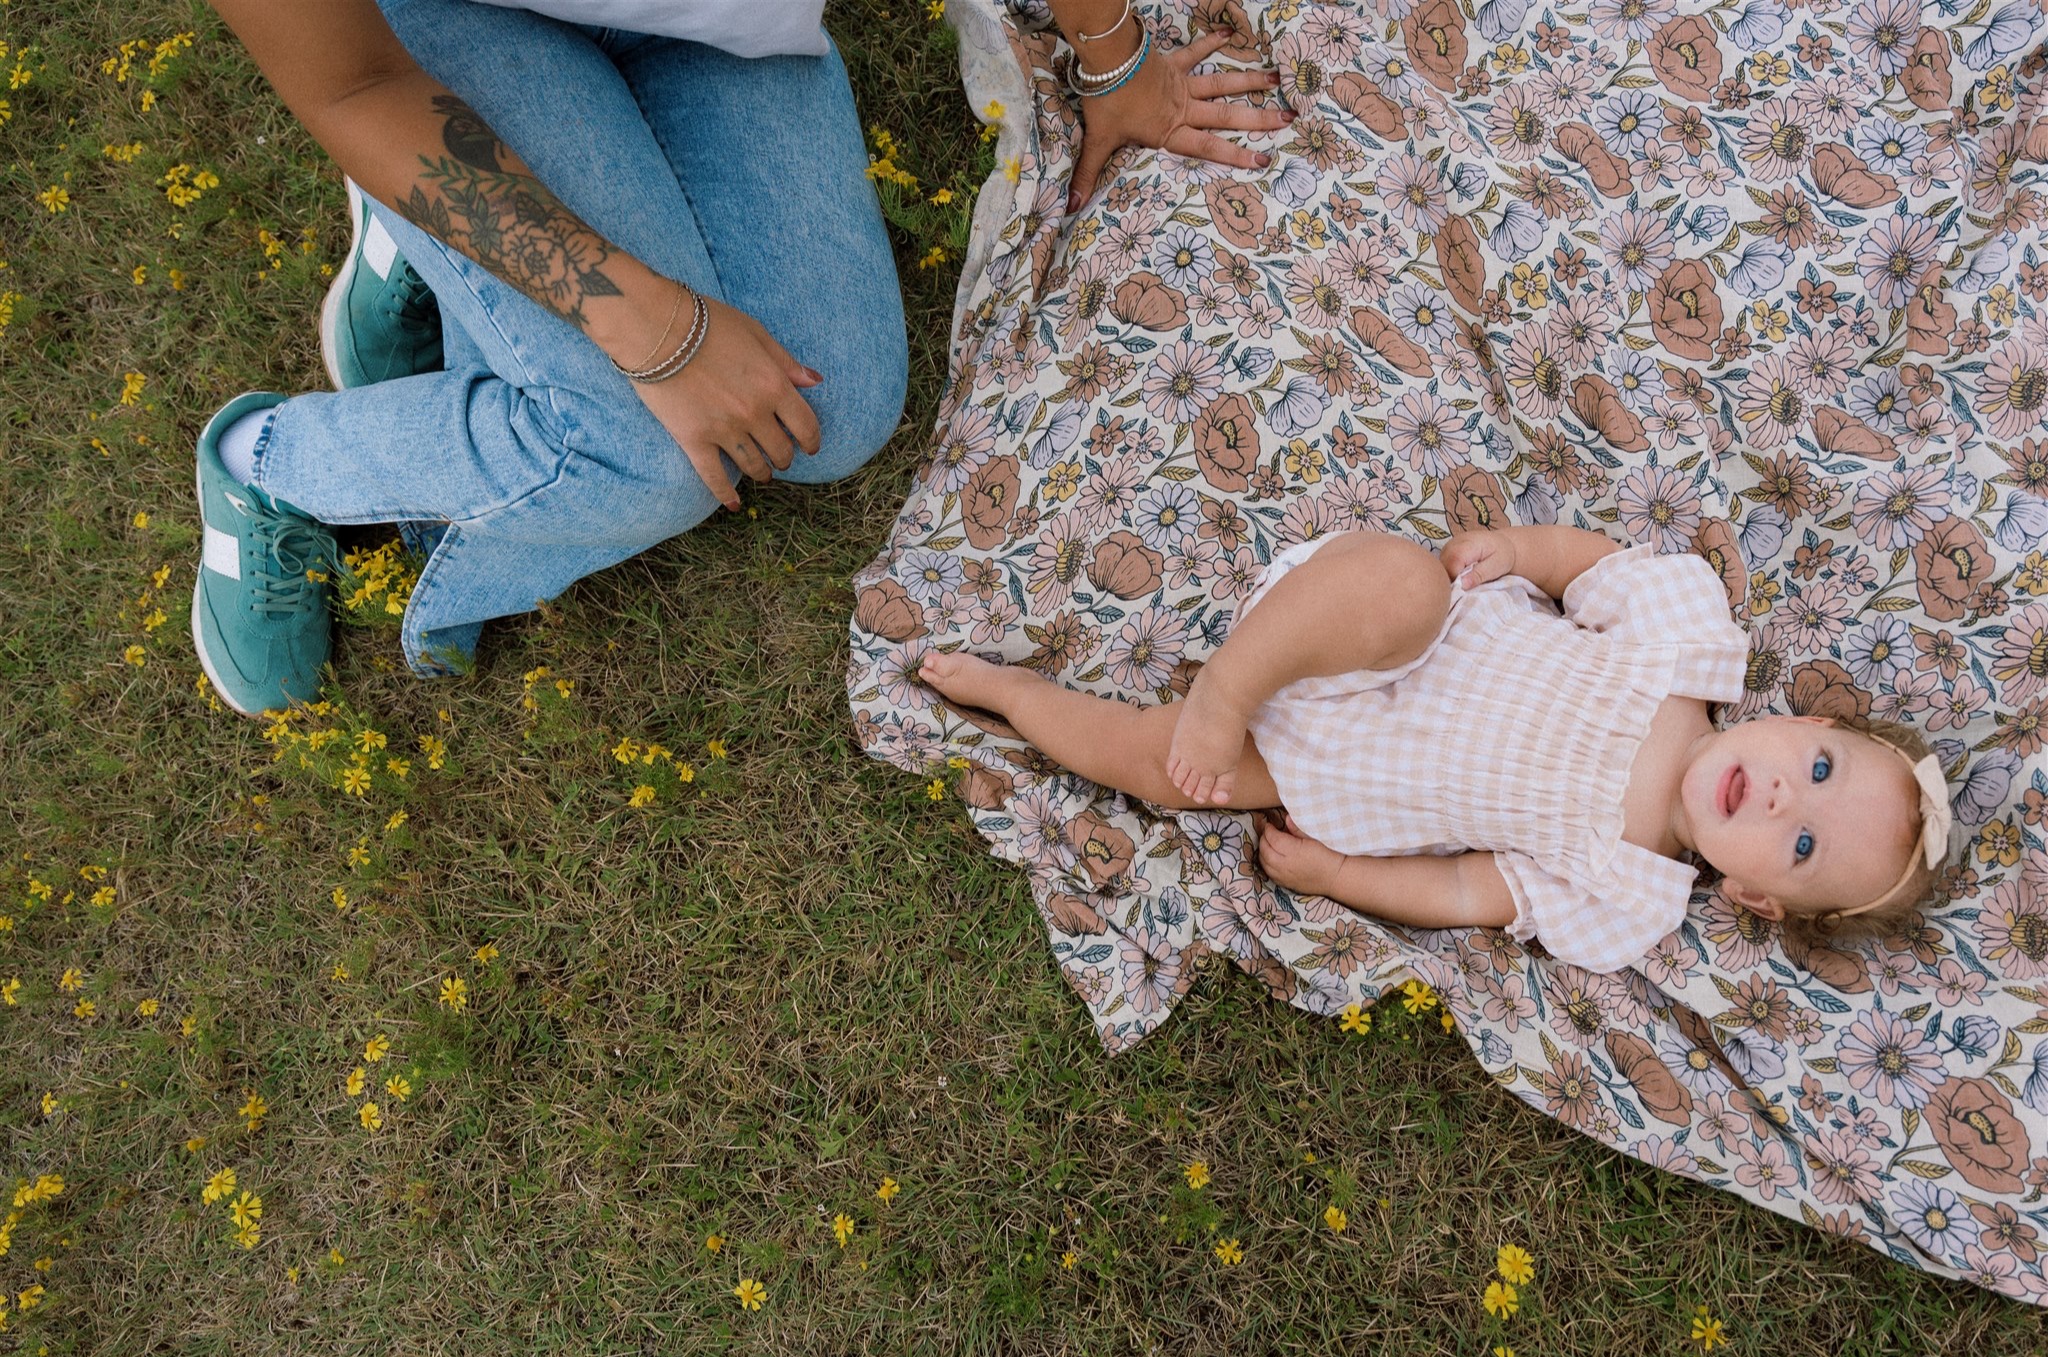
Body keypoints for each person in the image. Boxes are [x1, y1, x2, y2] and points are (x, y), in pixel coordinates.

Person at [193, 0, 909, 713]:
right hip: (447, 30)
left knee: (827, 408)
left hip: (721, 25)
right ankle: (263, 461)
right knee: (644, 461)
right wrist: (662, 335)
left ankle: (436, 252)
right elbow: (349, 86)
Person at [917, 525, 1951, 972]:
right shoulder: (1687, 651)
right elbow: (1591, 567)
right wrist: (1517, 552)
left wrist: (1339, 874)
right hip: (1380, 638)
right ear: (1805, 726)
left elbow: (1467, 890)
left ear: (1755, 899)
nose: (1780, 801)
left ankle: (1016, 693)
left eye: (1801, 846)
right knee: (1405, 582)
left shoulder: (1627, 894)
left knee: (1163, 773)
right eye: (1815, 772)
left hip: (1338, 773)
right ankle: (1230, 681)